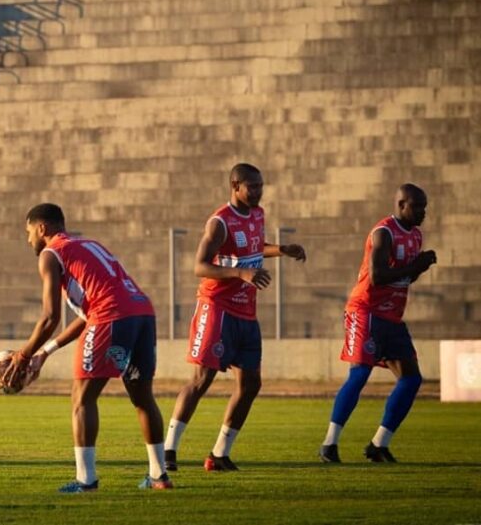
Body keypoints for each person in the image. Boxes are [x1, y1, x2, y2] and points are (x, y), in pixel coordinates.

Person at [3, 203, 173, 493]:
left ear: (42, 228)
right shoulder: (86, 245)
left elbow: (50, 317)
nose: (28, 238)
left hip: (112, 315)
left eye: (29, 232)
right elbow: (86, 315)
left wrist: (23, 355)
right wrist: (44, 352)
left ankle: (86, 481)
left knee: (81, 398)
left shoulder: (50, 253)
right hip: (142, 313)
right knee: (142, 396)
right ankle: (159, 476)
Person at [163, 163, 306, 472]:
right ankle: (168, 450)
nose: (258, 191)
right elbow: (200, 266)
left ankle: (219, 454)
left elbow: (254, 250)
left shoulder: (258, 214)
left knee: (251, 384)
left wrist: (282, 250)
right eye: (252, 186)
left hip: (246, 313)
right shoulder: (220, 222)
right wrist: (241, 273)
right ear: (235, 186)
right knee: (202, 380)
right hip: (217, 309)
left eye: (261, 186)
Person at [319, 184, 436, 464]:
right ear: (401, 205)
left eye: (425, 207)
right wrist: (416, 267)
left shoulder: (416, 235)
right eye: (417, 207)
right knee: (359, 375)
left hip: (392, 317)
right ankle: (329, 444)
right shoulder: (384, 232)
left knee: (411, 378)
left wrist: (418, 268)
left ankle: (378, 445)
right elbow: (378, 276)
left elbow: (404, 278)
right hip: (366, 311)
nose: (423, 212)